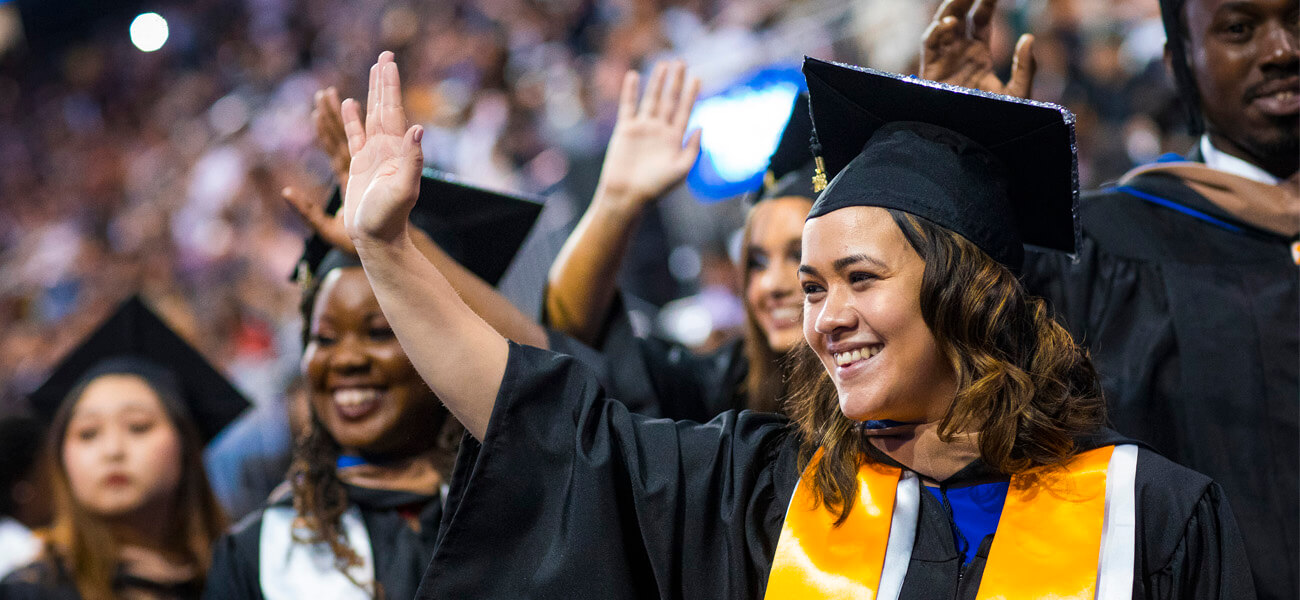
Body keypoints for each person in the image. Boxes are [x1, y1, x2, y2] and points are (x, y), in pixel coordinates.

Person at [339, 51, 1253, 599]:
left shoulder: (1150, 514)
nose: (825, 318)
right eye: (813, 288)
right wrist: (387, 253)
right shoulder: (766, 492)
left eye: (859, 278)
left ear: (968, 294)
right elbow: (542, 426)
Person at [920, 0, 1297, 596]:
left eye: (1299, 21)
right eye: (1239, 29)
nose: (1282, 51)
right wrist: (962, 162)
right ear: (1180, 62)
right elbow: (975, 344)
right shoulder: (1106, 246)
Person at [203, 167, 543, 600]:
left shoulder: (533, 493)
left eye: (380, 332)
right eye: (322, 338)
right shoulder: (262, 554)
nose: (345, 359)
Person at [546, 62, 818, 418]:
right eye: (757, 262)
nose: (771, 285)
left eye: (799, 256)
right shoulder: (729, 392)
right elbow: (572, 330)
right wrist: (616, 202)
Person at [0, 297, 244, 600]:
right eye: (88, 434)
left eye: (138, 426)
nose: (113, 450)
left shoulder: (238, 581)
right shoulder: (26, 592)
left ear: (185, 445)